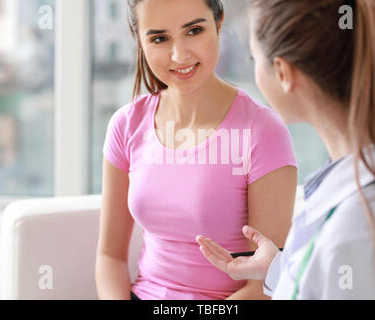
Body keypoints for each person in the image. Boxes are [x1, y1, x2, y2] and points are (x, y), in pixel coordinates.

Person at [197, 0, 375, 299]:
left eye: (254, 60)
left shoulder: (359, 232)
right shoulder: (369, 194)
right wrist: (280, 268)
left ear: (283, 73)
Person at [95, 0, 298, 300]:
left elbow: (263, 287)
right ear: (139, 41)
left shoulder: (263, 132)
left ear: (218, 23)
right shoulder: (126, 125)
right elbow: (110, 257)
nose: (179, 55)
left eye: (194, 30)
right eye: (159, 38)